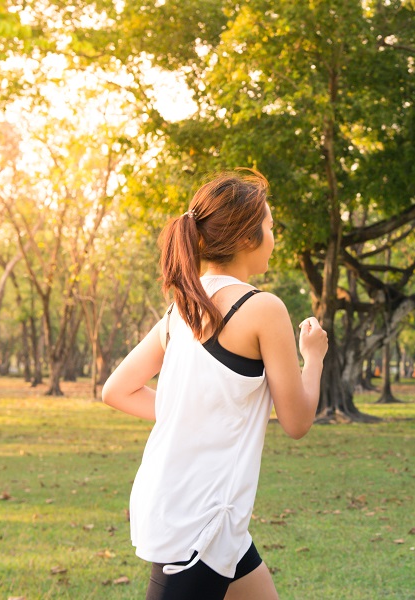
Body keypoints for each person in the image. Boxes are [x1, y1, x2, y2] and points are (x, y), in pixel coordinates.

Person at [101, 169, 328, 600]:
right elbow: (296, 420)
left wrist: (190, 411)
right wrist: (313, 357)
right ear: (247, 237)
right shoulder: (262, 307)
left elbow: (118, 389)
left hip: (206, 514)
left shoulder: (181, 309)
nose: (273, 237)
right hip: (198, 523)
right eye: (270, 227)